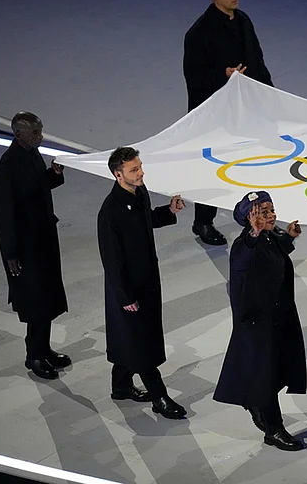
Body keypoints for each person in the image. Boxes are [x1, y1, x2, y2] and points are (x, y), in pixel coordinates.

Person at [97, 146, 188, 419]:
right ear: (117, 174)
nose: (141, 173)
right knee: (141, 342)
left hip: (148, 281)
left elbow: (144, 221)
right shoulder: (110, 212)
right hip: (128, 288)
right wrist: (124, 296)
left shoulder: (139, 193)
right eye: (134, 169)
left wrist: (169, 211)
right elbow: (111, 260)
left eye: (140, 166)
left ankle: (121, 385)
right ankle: (159, 397)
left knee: (133, 337)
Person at [183, 0, 274, 246]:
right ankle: (203, 221)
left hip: (246, 109)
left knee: (252, 160)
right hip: (215, 114)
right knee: (212, 167)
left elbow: (257, 59)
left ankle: (258, 216)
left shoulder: (244, 20)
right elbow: (194, 77)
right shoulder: (198, 33)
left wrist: (270, 94)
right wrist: (223, 75)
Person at [213, 191, 307, 451]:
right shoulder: (245, 244)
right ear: (248, 219)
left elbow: (276, 251)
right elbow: (245, 255)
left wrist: (289, 237)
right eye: (262, 212)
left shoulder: (268, 237)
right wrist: (254, 233)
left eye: (271, 209)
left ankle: (255, 401)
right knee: (265, 375)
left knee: (276, 370)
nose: (271, 215)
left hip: (276, 316)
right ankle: (274, 430)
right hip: (256, 322)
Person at [0, 112, 71, 380]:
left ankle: (43, 349)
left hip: (43, 241)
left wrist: (54, 174)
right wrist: (10, 254)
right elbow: (3, 214)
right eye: (35, 132)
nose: (41, 136)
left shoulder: (31, 153)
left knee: (46, 298)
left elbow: (37, 188)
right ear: (19, 134)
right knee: (36, 301)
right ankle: (34, 356)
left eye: (40, 131)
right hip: (25, 249)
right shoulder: (9, 165)